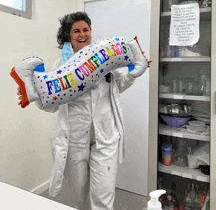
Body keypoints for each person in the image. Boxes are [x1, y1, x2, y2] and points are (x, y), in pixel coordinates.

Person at [17, 12, 148, 210]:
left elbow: (117, 86)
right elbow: (51, 105)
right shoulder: (60, 67)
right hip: (76, 139)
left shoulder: (104, 59)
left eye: (85, 29)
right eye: (76, 31)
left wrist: (132, 74)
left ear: (90, 32)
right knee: (79, 196)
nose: (82, 34)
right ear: (68, 36)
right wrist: (35, 95)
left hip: (105, 138)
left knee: (103, 196)